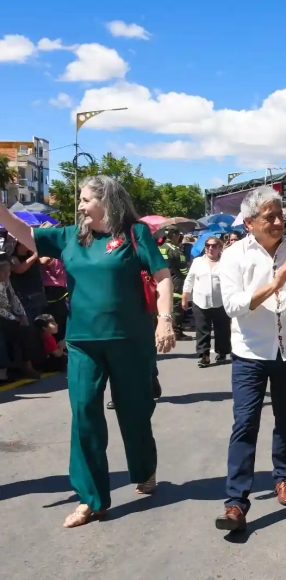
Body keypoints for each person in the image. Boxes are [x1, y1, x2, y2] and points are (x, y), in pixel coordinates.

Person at [0, 175, 176, 528]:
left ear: (106, 201)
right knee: (84, 414)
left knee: (135, 412)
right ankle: (91, 498)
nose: (79, 206)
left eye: (84, 200)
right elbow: (25, 234)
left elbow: (162, 275)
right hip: (82, 342)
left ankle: (144, 468)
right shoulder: (69, 236)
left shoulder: (134, 234)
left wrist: (165, 320)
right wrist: (1, 212)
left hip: (130, 341)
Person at [215, 186, 286, 533]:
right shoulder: (234, 256)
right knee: (245, 424)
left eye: (280, 214)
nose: (279, 221)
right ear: (249, 223)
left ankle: (283, 478)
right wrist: (273, 285)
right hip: (250, 353)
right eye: (269, 217)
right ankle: (235, 503)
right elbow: (232, 306)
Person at [181, 236, 232, 368]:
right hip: (200, 301)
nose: (210, 248)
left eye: (214, 246)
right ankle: (204, 355)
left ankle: (222, 352)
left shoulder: (226, 262)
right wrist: (185, 295)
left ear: (220, 248)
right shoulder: (198, 262)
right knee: (202, 330)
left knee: (222, 329)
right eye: (208, 245)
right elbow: (189, 279)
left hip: (221, 301)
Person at [0, 254, 41, 381]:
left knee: (27, 330)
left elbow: (14, 299)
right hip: (3, 316)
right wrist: (14, 318)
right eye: (4, 272)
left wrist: (22, 316)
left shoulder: (7, 283)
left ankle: (26, 366)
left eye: (9, 272)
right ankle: (3, 373)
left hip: (8, 316)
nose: (8, 275)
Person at [159, 226, 191, 340]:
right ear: (174, 235)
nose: (179, 238)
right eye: (178, 235)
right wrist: (189, 277)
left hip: (164, 278)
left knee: (168, 303)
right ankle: (177, 331)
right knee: (177, 305)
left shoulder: (162, 247)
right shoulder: (175, 250)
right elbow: (183, 268)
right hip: (177, 279)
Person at [10, 240, 47, 323]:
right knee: (30, 322)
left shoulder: (30, 254)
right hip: (25, 296)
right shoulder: (13, 257)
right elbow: (19, 269)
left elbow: (44, 261)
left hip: (37, 294)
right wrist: (34, 257)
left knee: (40, 322)